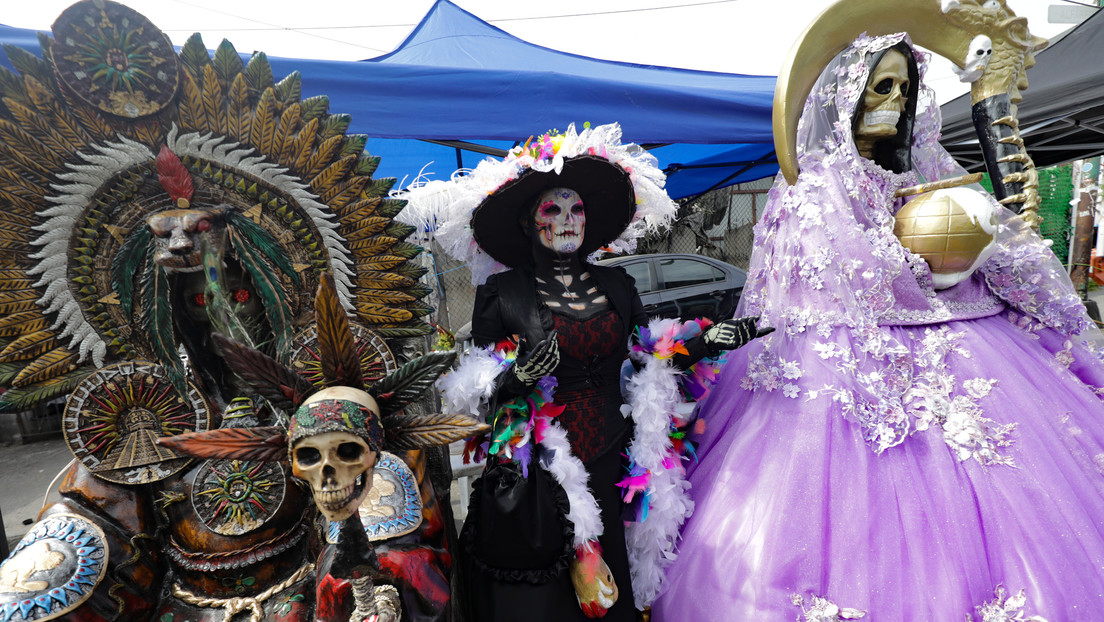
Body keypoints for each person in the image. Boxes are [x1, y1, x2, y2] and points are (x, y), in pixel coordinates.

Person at [652, 32, 1104, 621]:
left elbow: (1003, 247)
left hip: (967, 349)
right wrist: (924, 259)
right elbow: (842, 275)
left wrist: (978, 237)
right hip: (836, 367)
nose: (894, 100)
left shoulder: (930, 169)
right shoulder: (812, 186)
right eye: (880, 86)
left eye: (904, 87)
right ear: (846, 97)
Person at [401, 123, 764, 621]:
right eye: (552, 209)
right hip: (540, 467)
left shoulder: (616, 283)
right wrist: (519, 378)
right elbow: (478, 391)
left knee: (613, 583)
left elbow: (647, 356)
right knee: (551, 593)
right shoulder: (503, 294)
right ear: (530, 224)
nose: (568, 219)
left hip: (612, 454)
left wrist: (706, 341)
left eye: (576, 209)